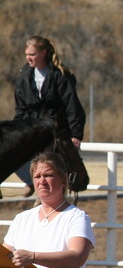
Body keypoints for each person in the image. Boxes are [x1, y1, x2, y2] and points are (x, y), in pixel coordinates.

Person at [13, 36, 86, 197]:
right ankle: (31, 181)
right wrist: (18, 129)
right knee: (13, 153)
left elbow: (72, 105)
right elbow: (21, 107)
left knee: (53, 165)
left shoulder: (60, 75)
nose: (28, 58)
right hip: (32, 127)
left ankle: (54, 195)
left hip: (56, 130)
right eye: (27, 54)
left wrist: (76, 134)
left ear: (44, 53)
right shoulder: (24, 75)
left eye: (32, 54)